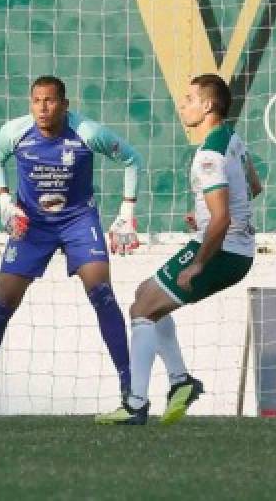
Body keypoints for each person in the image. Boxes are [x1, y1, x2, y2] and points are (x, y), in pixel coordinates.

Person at [0, 75, 144, 416]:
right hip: (32, 224)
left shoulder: (87, 132)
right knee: (3, 301)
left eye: (50, 100)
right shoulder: (15, 132)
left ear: (65, 104)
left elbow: (131, 158)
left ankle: (130, 388)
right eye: (36, 101)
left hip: (78, 222)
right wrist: (4, 201)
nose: (42, 108)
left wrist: (126, 211)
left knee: (102, 292)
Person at [97, 74, 262, 425]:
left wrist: (199, 263)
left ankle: (136, 404)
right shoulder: (232, 138)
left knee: (142, 310)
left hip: (222, 251)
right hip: (233, 247)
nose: (182, 105)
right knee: (145, 294)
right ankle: (180, 381)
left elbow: (222, 219)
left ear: (208, 106)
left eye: (189, 99)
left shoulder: (209, 156)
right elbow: (254, 187)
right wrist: (203, 215)